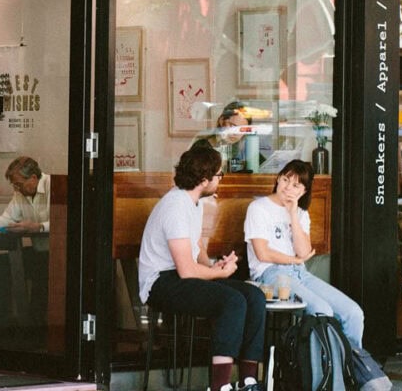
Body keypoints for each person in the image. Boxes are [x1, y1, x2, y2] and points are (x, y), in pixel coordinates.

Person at [138, 146, 265, 391]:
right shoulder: (175, 206)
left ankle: (249, 380)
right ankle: (220, 386)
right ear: (204, 180)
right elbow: (186, 270)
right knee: (232, 301)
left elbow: (196, 248)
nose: (220, 181)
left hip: (181, 275)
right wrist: (219, 274)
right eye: (219, 175)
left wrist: (214, 265)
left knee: (254, 296)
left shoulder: (194, 203)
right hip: (161, 282)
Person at [244, 159, 365, 348]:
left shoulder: (300, 213)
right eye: (285, 180)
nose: (287, 188)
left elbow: (304, 251)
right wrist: (295, 259)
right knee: (321, 310)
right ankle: (322, 374)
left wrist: (292, 215)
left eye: (296, 185)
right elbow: (263, 253)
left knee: (353, 313)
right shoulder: (259, 208)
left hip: (300, 273)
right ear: (278, 178)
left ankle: (349, 371)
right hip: (271, 274)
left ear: (304, 191)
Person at [0, 156, 50, 323]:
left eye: (19, 184)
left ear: (33, 178)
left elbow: (64, 221)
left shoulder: (54, 186)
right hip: (39, 252)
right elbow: (9, 218)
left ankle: (33, 328)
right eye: (14, 185)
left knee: (41, 274)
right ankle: (0, 323)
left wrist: (37, 227)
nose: (17, 188)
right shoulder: (20, 193)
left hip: (57, 255)